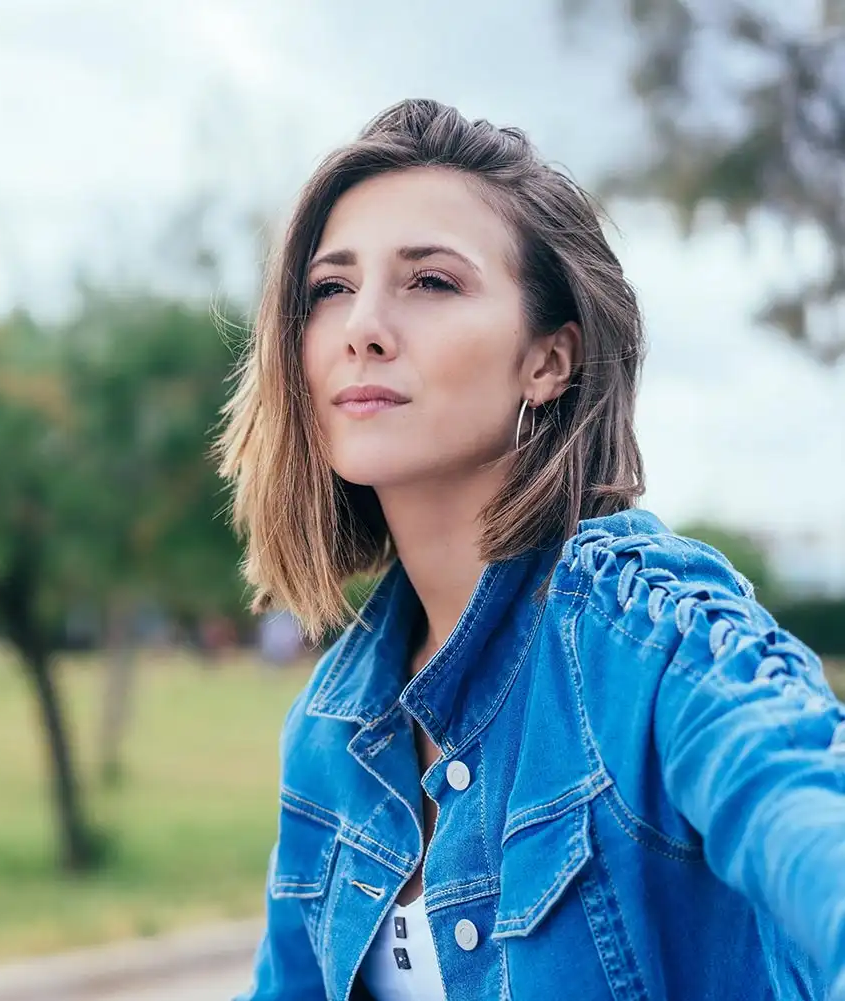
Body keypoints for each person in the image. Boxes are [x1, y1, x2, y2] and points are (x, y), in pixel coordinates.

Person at [215, 98, 845, 1001]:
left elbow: (803, 806)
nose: (363, 326)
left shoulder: (644, 634)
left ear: (547, 360)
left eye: (431, 282)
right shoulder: (330, 729)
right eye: (330, 289)